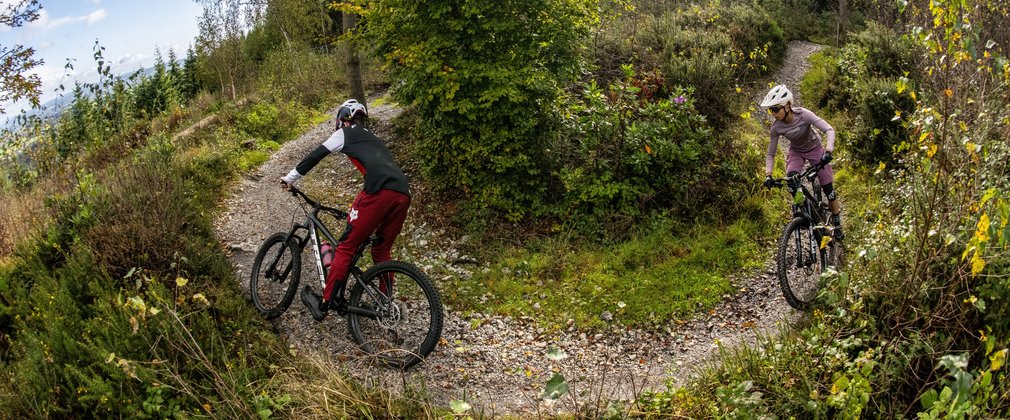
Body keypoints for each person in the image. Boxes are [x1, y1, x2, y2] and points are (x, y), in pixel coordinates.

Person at [280, 99, 411, 321]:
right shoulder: (374, 138)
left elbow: (315, 155)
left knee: (346, 247)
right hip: (403, 194)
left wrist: (290, 178)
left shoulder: (345, 133)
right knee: (381, 251)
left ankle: (325, 302)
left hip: (379, 192)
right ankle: (385, 304)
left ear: (343, 119)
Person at [760, 84, 844, 239]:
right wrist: (768, 175)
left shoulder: (803, 114)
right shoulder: (776, 127)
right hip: (796, 151)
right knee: (792, 181)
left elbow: (829, 130)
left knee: (829, 190)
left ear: (787, 106)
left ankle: (837, 223)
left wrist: (828, 151)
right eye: (771, 110)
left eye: (775, 109)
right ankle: (805, 211)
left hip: (815, 148)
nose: (773, 113)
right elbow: (770, 154)